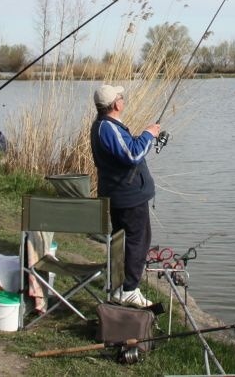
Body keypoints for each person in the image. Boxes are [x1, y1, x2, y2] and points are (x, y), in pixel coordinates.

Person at [90, 84, 161, 308]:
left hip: (124, 195)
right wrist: (149, 134)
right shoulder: (108, 128)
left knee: (124, 241)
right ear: (116, 104)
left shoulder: (107, 126)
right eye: (121, 97)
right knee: (137, 242)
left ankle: (119, 284)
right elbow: (132, 155)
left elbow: (127, 149)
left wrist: (144, 138)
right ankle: (129, 289)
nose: (124, 100)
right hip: (128, 198)